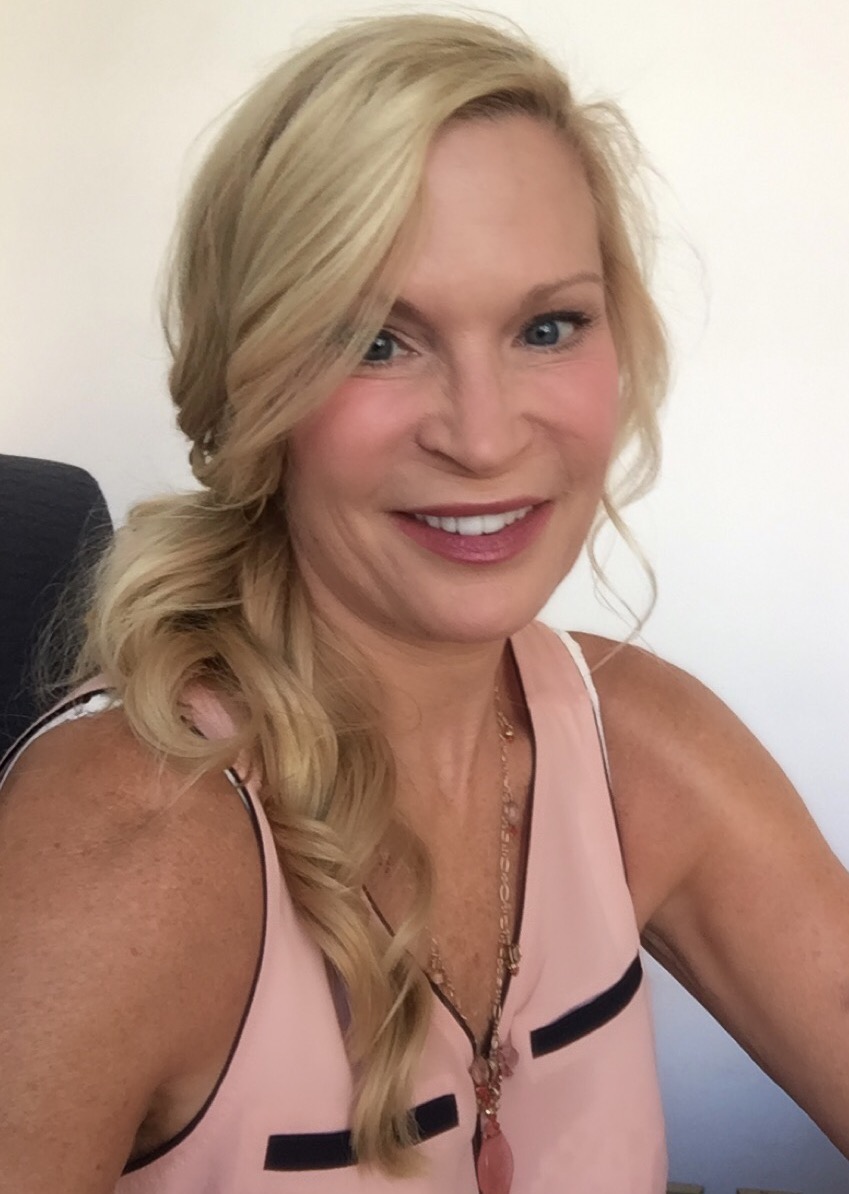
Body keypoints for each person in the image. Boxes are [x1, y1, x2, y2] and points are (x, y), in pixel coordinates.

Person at [1, 12, 848, 1193]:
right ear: (250, 381)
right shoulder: (129, 857)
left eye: (547, 327)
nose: (484, 436)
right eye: (376, 341)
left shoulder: (640, 747)